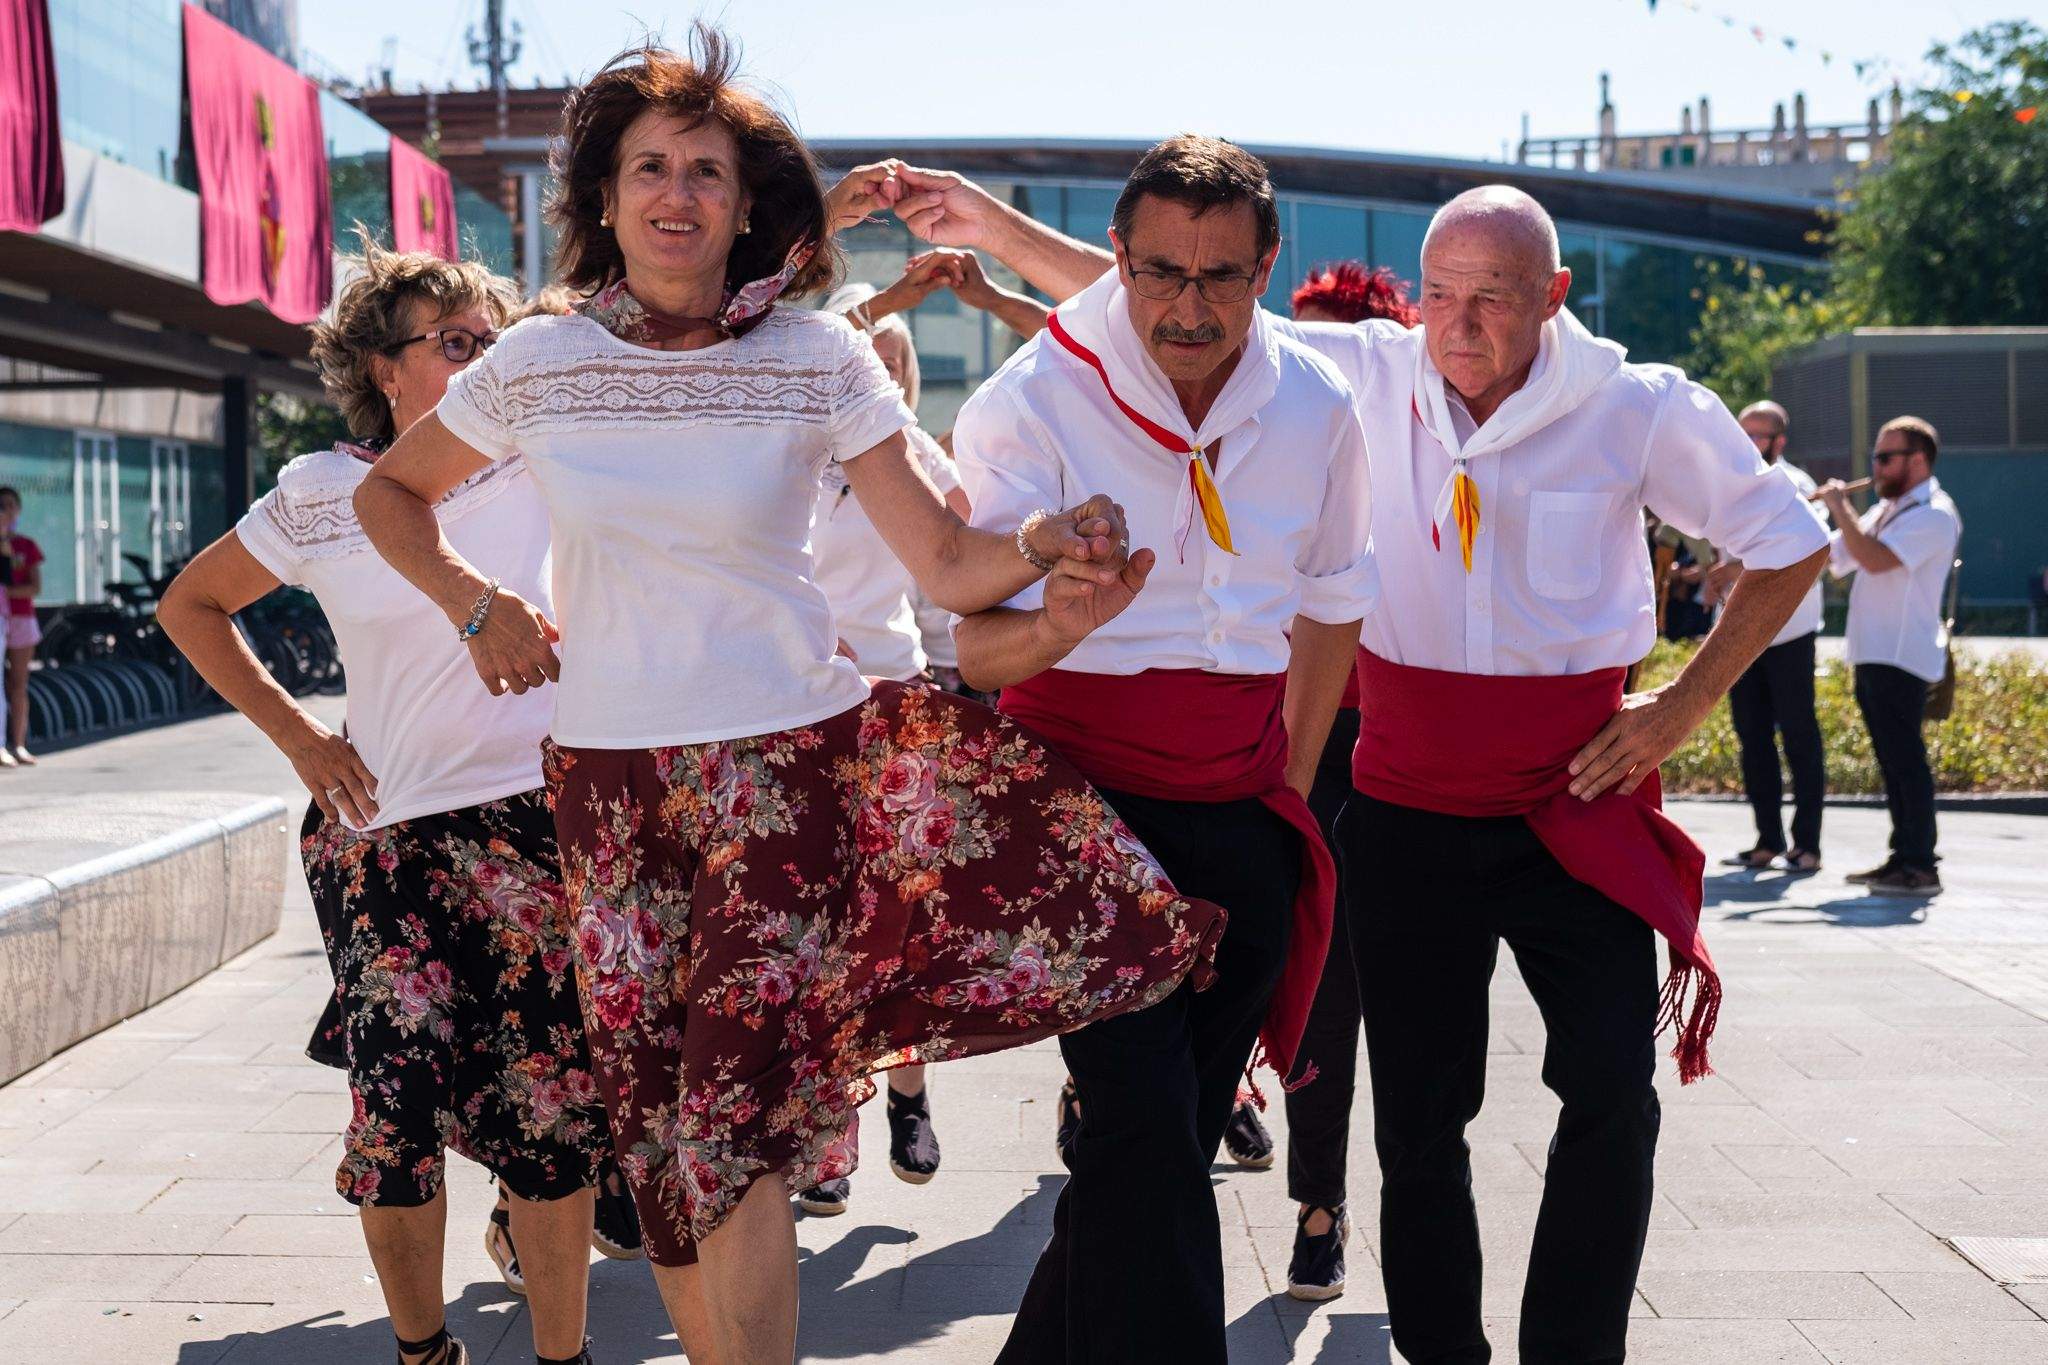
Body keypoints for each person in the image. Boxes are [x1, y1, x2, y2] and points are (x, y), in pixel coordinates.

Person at [351, 34, 1223, 1365]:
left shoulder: (819, 356)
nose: (678, 194)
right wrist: (482, 604)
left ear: (749, 203)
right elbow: (386, 494)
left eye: (707, 169)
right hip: (605, 787)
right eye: (649, 167)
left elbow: (944, 558)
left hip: (783, 775)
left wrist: (1044, 552)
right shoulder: (538, 364)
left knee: (743, 1128)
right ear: (602, 197)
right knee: (660, 1151)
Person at [912, 171, 1828, 1365]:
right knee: (1415, 1122)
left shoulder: (1637, 408)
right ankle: (1443, 1353)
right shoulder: (1368, 374)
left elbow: (1788, 541)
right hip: (1402, 811)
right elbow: (1184, 305)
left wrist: (1678, 707)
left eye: (1491, 299)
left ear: (1550, 295)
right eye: (1438, 295)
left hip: (1577, 800)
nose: (1456, 323)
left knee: (1611, 1093)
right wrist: (992, 229)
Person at [947, 135, 1373, 1364]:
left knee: (1165, 1141)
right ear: (1116, 262)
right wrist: (1056, 617)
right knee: (1138, 1126)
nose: (1189, 308)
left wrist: (1283, 798)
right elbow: (974, 652)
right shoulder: (1029, 397)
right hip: (1078, 811)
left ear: (1267, 266)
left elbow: (1334, 603)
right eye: (1160, 273)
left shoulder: (1318, 402)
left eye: (1222, 276)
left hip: (1243, 807)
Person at [158, 239, 610, 1365]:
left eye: (489, 343)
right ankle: (424, 1354)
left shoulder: (547, 461)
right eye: (453, 345)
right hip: (384, 838)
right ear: (383, 368)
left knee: (548, 1120)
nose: (481, 362)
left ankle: (564, 1357)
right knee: (395, 1111)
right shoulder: (322, 493)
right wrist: (303, 738)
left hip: (538, 828)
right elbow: (193, 606)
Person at [789, 276, 974, 1218]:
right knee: (823, 937)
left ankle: (908, 1097)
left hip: (897, 709)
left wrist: (954, 696)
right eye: (877, 362)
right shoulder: (778, 457)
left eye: (899, 366)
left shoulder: (920, 468)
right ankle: (827, 1138)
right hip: (797, 714)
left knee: (895, 926)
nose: (886, 381)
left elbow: (947, 595)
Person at [1270, 258, 1422, 1301]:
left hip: (1413, 760)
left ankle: (1412, 1216)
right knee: (1320, 997)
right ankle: (1318, 1206)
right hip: (1306, 751)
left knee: (1411, 1006)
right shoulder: (1276, 449)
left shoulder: (1428, 454)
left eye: (1323, 340)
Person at [1820, 415, 1961, 898]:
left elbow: (1876, 560)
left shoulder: (1935, 514)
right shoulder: (1886, 511)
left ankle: (1921, 865)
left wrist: (1840, 506)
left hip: (1904, 655)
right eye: (1875, 458)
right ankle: (1902, 857)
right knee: (1891, 760)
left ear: (1917, 460)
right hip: (1874, 653)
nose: (1876, 468)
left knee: (1907, 762)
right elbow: (1835, 557)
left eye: (1884, 458)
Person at [1718, 400, 1827, 873]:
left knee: (1800, 737)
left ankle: (1808, 845)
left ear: (1779, 443)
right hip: (1741, 633)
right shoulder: (1727, 481)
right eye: (1741, 432)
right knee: (1753, 738)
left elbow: (1799, 546)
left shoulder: (1797, 486)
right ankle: (1767, 840)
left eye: (1757, 435)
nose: (1746, 442)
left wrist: (1730, 569)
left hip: (1790, 631)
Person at [0, 486, 42, 767]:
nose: (6, 510)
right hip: (4, 614)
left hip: (21, 619)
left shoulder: (26, 545)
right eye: (1, 505)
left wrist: (7, 591)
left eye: (11, 505)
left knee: (18, 683)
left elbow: (34, 587)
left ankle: (19, 744)